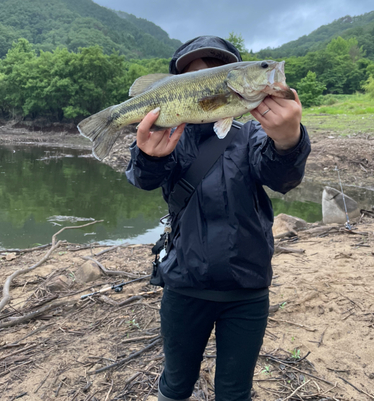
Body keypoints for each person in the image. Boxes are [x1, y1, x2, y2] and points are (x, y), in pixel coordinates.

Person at [126, 36, 311, 401]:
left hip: (247, 289)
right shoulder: (169, 134)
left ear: (231, 76)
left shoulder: (255, 133)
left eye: (214, 69)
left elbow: (282, 178)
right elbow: (143, 180)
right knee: (175, 385)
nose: (204, 77)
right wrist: (150, 156)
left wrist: (289, 140)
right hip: (183, 285)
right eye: (193, 73)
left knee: (234, 390)